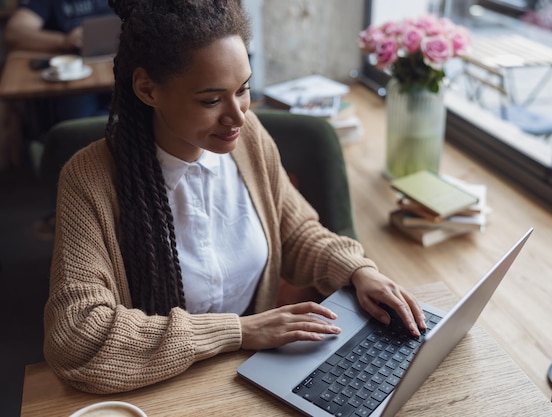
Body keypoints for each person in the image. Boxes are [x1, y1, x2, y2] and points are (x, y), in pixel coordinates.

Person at [44, 0, 427, 394]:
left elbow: (296, 234)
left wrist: (358, 271)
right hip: (154, 388)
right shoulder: (89, 180)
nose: (238, 116)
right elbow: (76, 337)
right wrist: (238, 331)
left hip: (255, 376)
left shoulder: (250, 140)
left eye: (242, 89)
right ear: (147, 89)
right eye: (211, 100)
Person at [4, 0, 114, 141]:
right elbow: (15, 31)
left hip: (113, 69)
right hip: (73, 81)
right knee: (81, 127)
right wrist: (63, 41)